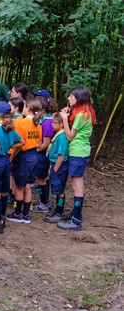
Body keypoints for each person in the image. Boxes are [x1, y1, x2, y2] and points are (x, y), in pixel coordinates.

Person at [56, 87, 96, 230]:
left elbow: (70, 136)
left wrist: (65, 120)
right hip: (80, 150)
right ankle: (75, 213)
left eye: (71, 96)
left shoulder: (82, 115)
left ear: (79, 98)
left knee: (76, 184)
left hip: (78, 151)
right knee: (77, 183)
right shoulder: (83, 113)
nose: (68, 98)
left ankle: (77, 220)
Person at [0, 102, 24, 233]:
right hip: (6, 161)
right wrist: (10, 146)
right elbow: (22, 142)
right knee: (3, 192)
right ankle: (2, 218)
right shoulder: (10, 129)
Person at [7, 99, 43, 224]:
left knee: (19, 186)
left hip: (23, 156)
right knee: (28, 185)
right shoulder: (38, 125)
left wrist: (12, 157)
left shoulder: (22, 124)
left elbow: (19, 145)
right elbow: (39, 144)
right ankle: (26, 214)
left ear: (27, 108)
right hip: (34, 156)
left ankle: (17, 213)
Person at [32, 95, 56, 213]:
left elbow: (46, 143)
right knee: (41, 178)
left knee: (41, 179)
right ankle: (44, 200)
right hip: (43, 155)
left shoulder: (47, 123)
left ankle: (44, 204)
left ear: (42, 110)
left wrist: (34, 150)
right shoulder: (47, 120)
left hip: (43, 155)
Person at [44, 114, 70, 223]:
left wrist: (55, 169)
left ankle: (59, 212)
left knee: (59, 190)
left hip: (59, 166)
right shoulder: (58, 135)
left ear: (61, 124)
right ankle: (57, 210)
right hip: (55, 165)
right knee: (57, 189)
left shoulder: (62, 137)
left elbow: (61, 155)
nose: (52, 124)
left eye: (54, 122)